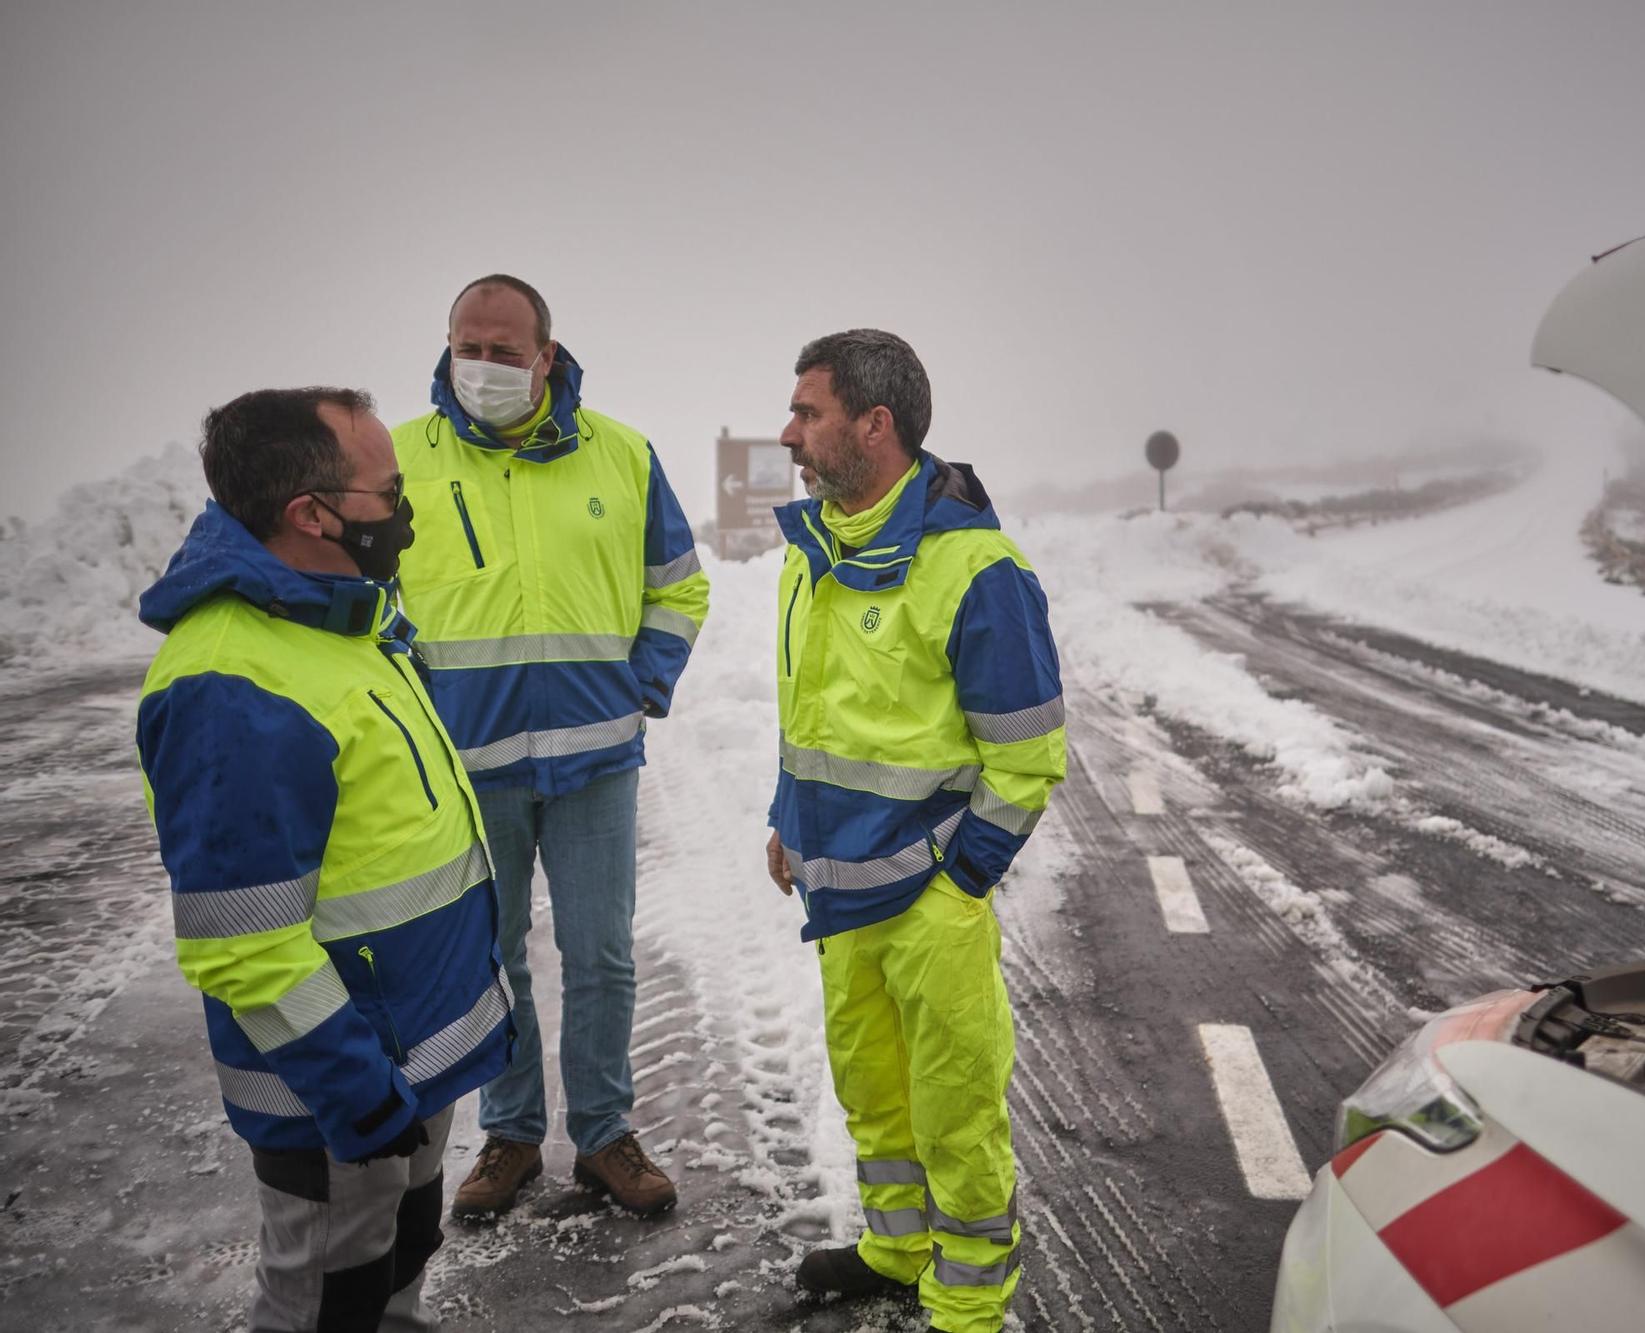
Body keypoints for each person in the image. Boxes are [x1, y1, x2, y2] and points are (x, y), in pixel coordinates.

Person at [136, 387, 512, 1331]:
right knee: (324, 1302)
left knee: (397, 1261)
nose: (407, 508)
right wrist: (356, 1093)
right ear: (312, 514)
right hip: (339, 1093)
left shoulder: (338, 618)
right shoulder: (234, 683)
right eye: (389, 490)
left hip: (401, 1067)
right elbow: (244, 944)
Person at [764, 330, 1066, 1333]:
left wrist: (961, 880)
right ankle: (897, 1249)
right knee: (871, 1087)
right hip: (837, 886)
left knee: (954, 1107)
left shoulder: (976, 569)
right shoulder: (817, 549)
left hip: (928, 898)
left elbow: (1026, 755)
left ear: (873, 423)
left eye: (808, 412)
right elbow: (814, 713)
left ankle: (969, 1307)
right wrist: (786, 819)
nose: (789, 432)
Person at [390, 275, 709, 1220]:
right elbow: (367, 606)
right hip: (468, 765)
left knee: (601, 953)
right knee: (491, 955)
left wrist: (644, 680)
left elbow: (679, 586)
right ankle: (512, 1134)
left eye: (502, 350)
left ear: (545, 357)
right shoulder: (403, 460)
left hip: (595, 761)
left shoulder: (622, 454)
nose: (481, 365)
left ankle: (605, 1134)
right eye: (467, 345)